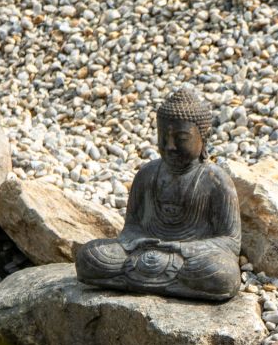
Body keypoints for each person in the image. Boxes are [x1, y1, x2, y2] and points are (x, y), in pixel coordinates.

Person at [76, 87, 242, 303]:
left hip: (191, 258)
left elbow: (230, 242)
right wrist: (137, 242)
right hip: (144, 252)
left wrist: (184, 247)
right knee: (90, 256)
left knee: (223, 274)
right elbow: (131, 227)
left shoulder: (216, 180)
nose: (170, 146)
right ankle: (173, 286)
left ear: (204, 137)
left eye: (181, 138)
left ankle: (135, 282)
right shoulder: (147, 174)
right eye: (163, 137)